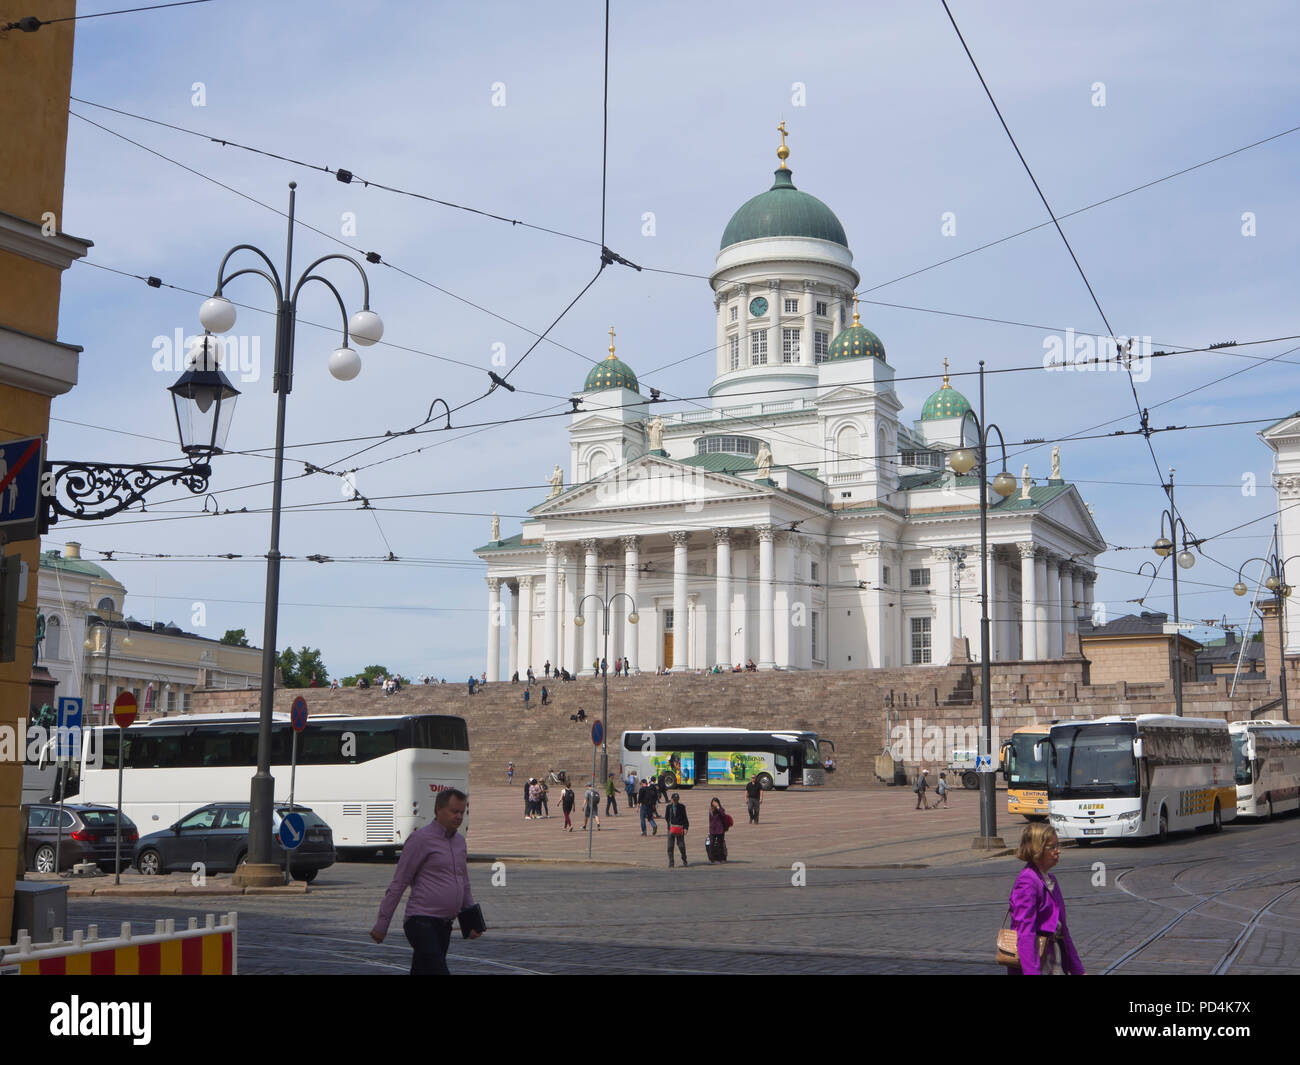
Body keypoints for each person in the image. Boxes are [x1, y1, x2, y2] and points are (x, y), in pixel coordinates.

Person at [370, 788, 480, 974]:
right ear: (438, 809)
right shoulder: (420, 840)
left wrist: (471, 922)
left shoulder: (460, 842)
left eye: (462, 812)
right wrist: (382, 924)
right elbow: (399, 882)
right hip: (420, 921)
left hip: (444, 925)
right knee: (438, 970)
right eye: (454, 811)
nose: (459, 817)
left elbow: (464, 883)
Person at [1007, 824, 1085, 975]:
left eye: (1058, 845)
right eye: (1052, 847)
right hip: (1037, 964)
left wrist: (1078, 970)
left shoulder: (1050, 880)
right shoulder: (1027, 882)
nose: (1058, 851)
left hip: (1054, 961)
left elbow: (1063, 930)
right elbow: (1025, 933)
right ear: (1037, 850)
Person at [664, 793, 689, 867]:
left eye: (677, 800)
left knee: (681, 846)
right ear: (671, 799)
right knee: (670, 847)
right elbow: (666, 817)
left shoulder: (682, 807)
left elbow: (685, 818)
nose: (675, 801)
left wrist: (686, 828)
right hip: (671, 829)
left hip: (680, 829)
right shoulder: (669, 807)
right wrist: (670, 825)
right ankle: (671, 862)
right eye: (674, 800)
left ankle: (684, 859)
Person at [707, 797, 731, 862]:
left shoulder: (721, 809)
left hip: (720, 829)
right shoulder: (711, 810)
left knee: (720, 844)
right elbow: (710, 820)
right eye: (713, 803)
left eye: (715, 802)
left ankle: (721, 858)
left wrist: (718, 807)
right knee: (711, 844)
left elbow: (723, 815)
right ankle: (712, 858)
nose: (714, 804)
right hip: (712, 829)